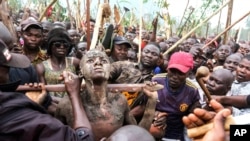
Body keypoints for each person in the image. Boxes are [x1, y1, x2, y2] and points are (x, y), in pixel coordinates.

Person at [55, 49, 159, 141]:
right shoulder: (67, 104)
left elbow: (139, 135)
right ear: (81, 71)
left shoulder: (119, 101)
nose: (98, 63)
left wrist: (151, 102)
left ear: (109, 71)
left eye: (103, 61)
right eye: (90, 61)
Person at [0, 40, 94, 141]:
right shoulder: (20, 118)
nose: (9, 70)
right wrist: (75, 95)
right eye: (6, 67)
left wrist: (32, 104)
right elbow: (83, 138)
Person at [152, 52, 201, 141]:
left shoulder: (192, 90)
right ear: (167, 69)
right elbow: (144, 106)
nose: (175, 77)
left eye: (180, 73)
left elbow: (192, 116)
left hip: (175, 135)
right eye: (172, 71)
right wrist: (156, 114)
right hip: (153, 130)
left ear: (189, 73)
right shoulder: (156, 80)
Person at [36, 27, 80, 98]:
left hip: (73, 100)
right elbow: (43, 91)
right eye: (57, 45)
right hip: (51, 103)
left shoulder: (75, 62)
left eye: (65, 45)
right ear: (50, 46)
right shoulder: (41, 67)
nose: (62, 47)